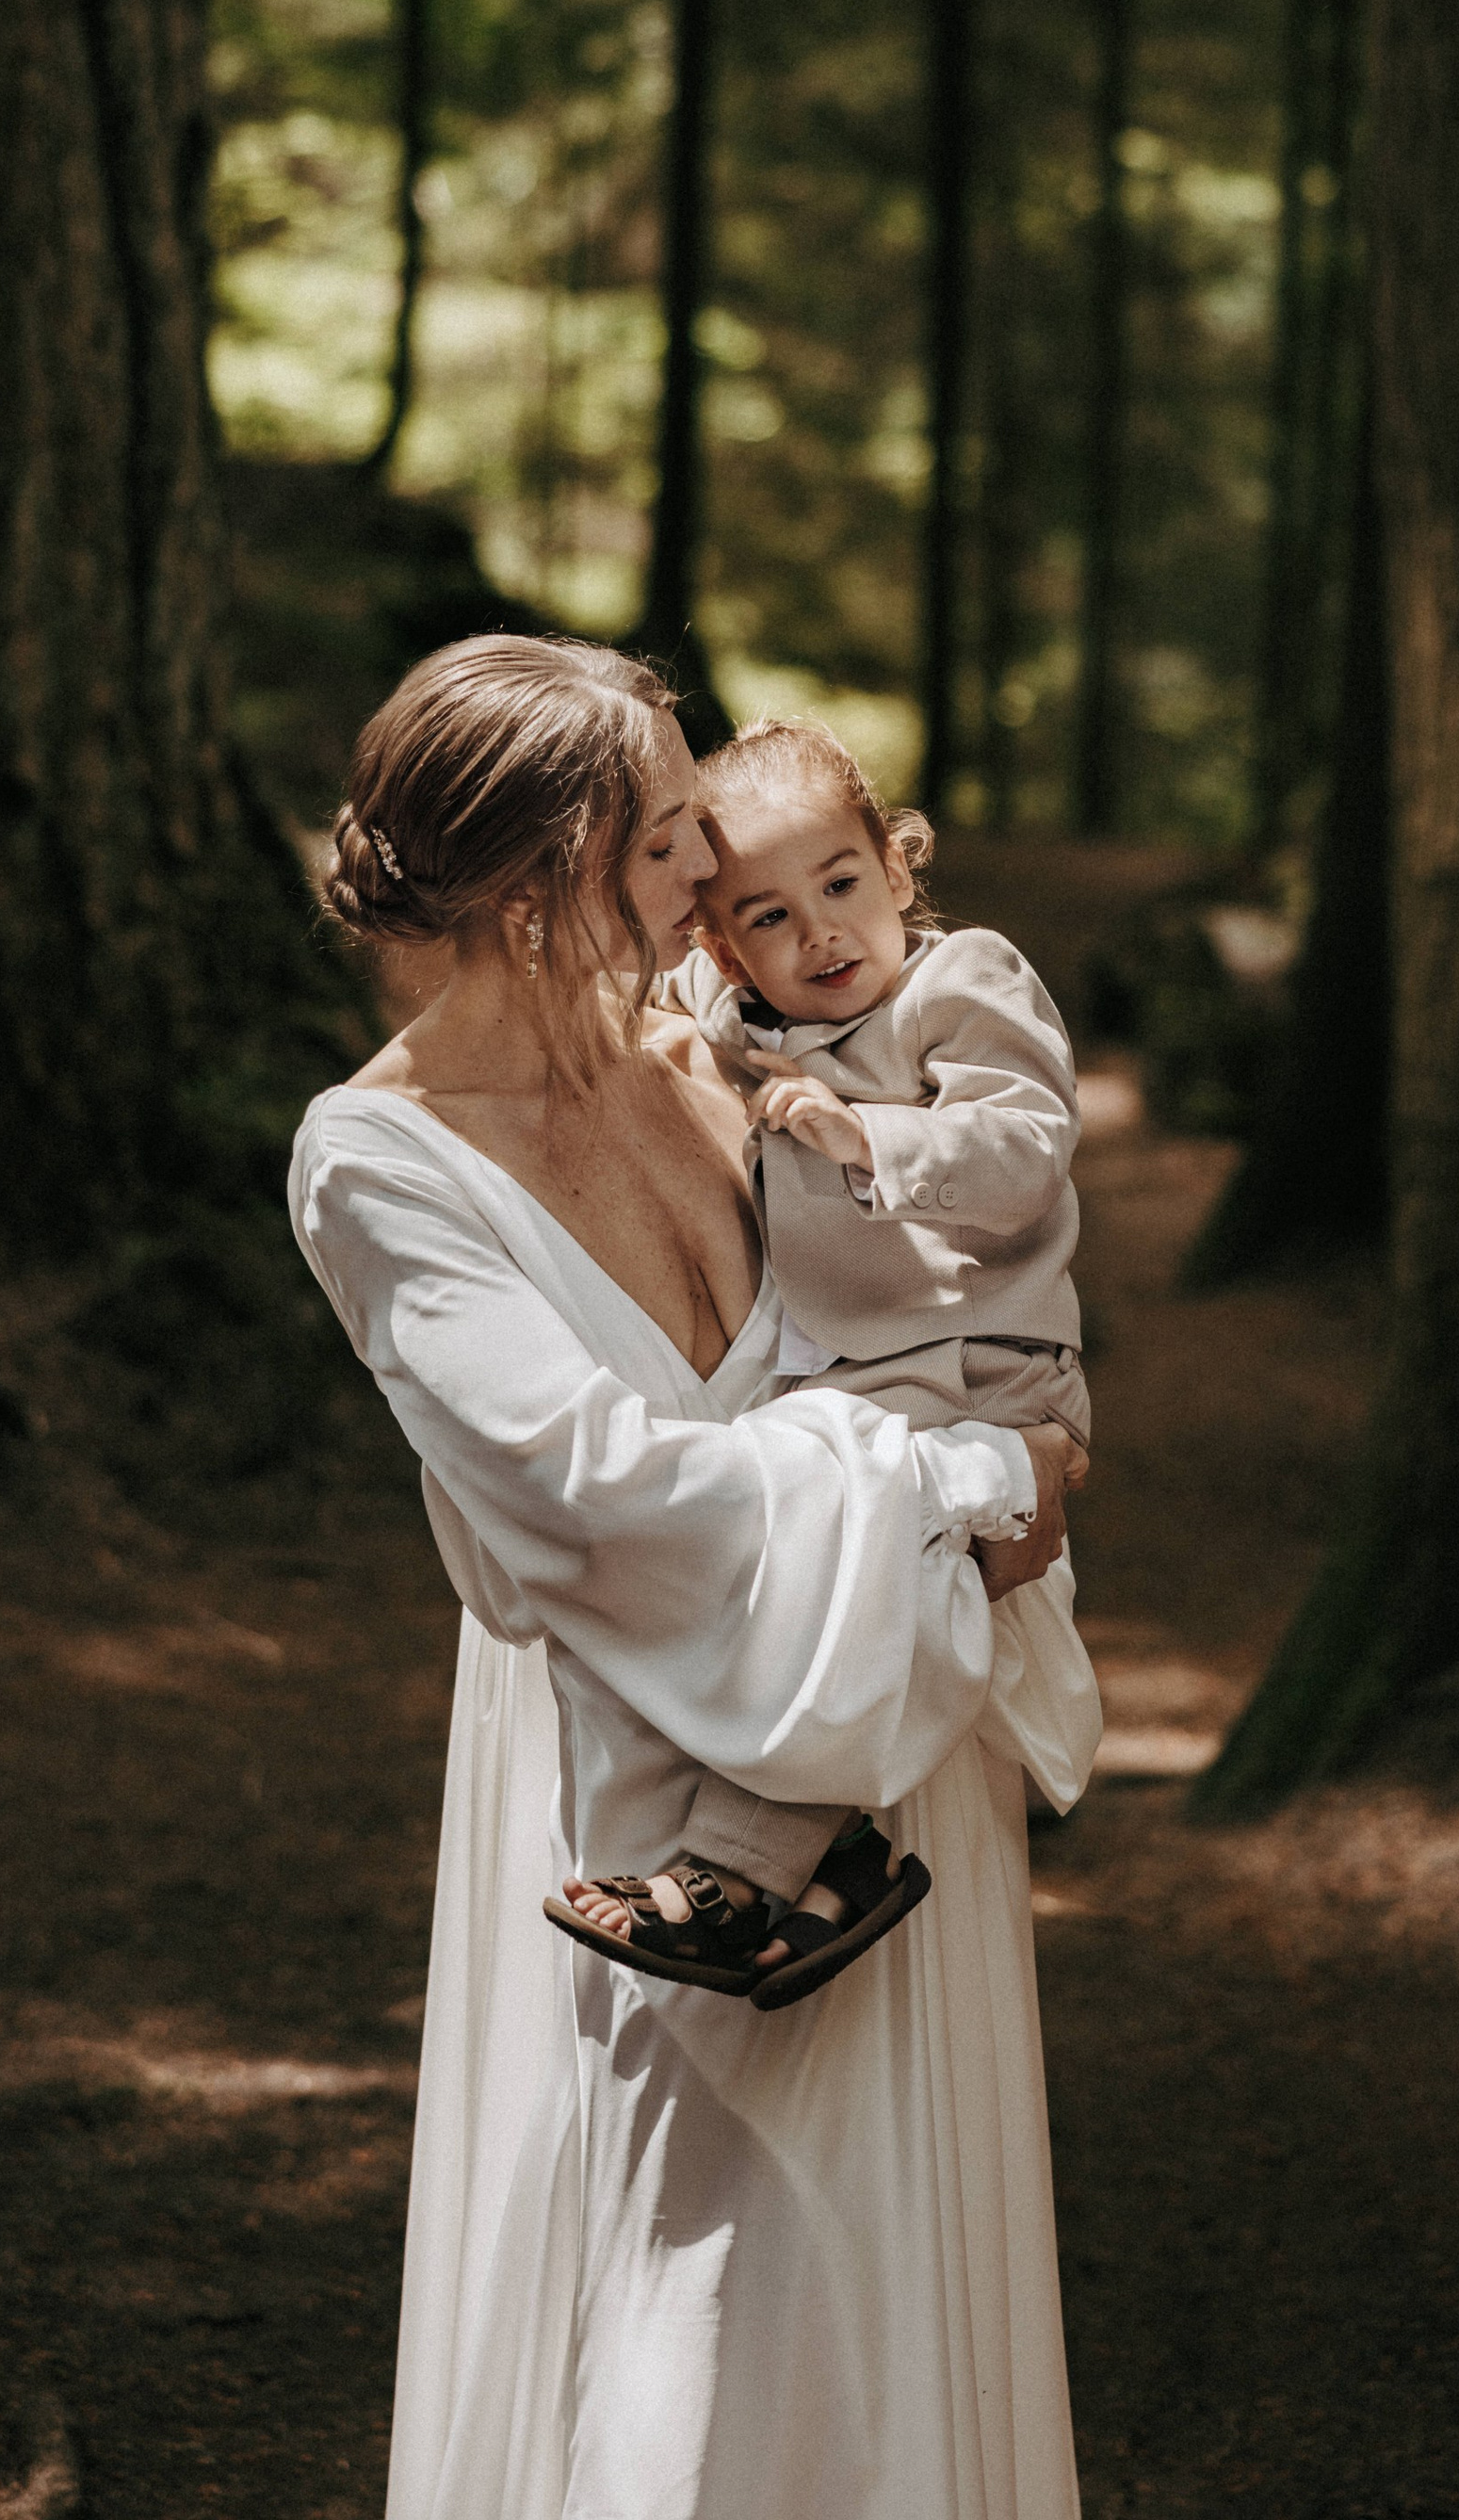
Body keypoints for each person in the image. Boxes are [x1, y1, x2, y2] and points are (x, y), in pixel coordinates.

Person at [286, 632, 1102, 2520]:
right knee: (699, 2313)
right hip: (646, 1763)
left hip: (900, 1726)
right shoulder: (378, 1160)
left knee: (899, 2288)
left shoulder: (712, 1048)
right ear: (528, 883)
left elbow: (954, 1273)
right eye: (665, 835)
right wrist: (969, 1471)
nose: (712, 868)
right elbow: (599, 1496)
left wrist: (1010, 1413)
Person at [542, 717, 1089, 2006]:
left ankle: (732, 1875)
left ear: (896, 870)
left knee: (838, 1545)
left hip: (974, 1358)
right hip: (857, 1365)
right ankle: (839, 1860)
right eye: (771, 917)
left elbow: (1026, 1143)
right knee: (774, 1547)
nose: (822, 935)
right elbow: (633, 997)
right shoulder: (742, 1012)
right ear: (725, 944)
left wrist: (872, 1139)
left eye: (842, 885)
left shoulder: (960, 982)